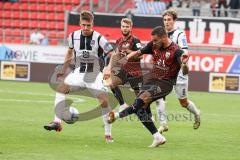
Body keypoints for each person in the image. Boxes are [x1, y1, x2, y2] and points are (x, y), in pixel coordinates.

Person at [105, 26, 188, 147]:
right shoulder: (153, 45)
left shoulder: (177, 51)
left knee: (140, 100)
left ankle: (117, 116)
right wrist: (124, 59)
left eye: (155, 40)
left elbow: (185, 72)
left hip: (165, 83)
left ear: (164, 38)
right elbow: (138, 53)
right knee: (140, 108)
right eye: (152, 40)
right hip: (152, 80)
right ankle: (157, 136)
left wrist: (185, 64)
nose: (153, 43)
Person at [43, 11, 115, 142]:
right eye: (84, 25)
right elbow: (70, 52)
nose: (86, 28)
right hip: (78, 73)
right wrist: (63, 69)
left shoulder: (99, 37)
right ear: (79, 23)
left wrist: (108, 68)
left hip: (94, 74)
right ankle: (57, 122)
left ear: (92, 24)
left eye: (88, 25)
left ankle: (108, 134)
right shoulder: (73, 36)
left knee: (104, 101)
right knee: (60, 89)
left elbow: (112, 53)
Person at [156, 9, 200, 133]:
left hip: (179, 72)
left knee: (183, 102)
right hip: (166, 71)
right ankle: (163, 124)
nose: (166, 22)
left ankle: (196, 114)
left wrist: (183, 61)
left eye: (169, 19)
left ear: (174, 20)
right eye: (164, 20)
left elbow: (185, 51)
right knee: (159, 96)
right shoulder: (160, 34)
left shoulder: (180, 34)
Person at [106, 18, 142, 112]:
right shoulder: (119, 41)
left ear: (131, 28)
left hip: (135, 72)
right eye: (123, 26)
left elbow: (141, 56)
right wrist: (110, 66)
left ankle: (147, 115)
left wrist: (128, 51)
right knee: (111, 84)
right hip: (124, 71)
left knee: (140, 98)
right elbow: (116, 54)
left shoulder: (135, 40)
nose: (125, 28)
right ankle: (122, 105)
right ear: (120, 27)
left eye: (127, 27)